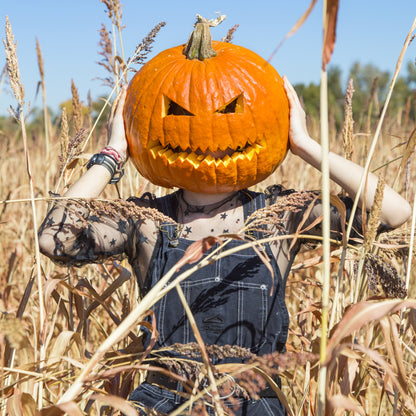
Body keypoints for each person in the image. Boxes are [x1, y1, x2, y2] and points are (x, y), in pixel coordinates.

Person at [38, 77, 411, 415]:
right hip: (163, 404)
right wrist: (113, 153)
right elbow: (56, 238)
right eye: (179, 113)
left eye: (231, 110)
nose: (207, 128)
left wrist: (306, 146)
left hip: (253, 404)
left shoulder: (281, 215)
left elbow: (394, 211)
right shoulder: (146, 221)